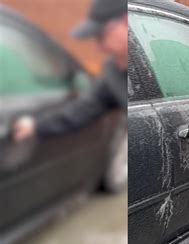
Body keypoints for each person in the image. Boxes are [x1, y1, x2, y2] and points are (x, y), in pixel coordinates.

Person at [12, 0, 128, 142]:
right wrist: (36, 125)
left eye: (101, 35)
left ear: (126, 21)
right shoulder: (114, 70)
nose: (99, 48)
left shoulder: (160, 59)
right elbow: (85, 108)